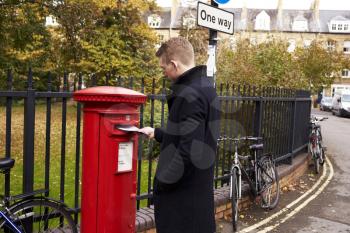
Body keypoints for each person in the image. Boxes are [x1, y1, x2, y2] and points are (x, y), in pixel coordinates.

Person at [139, 37, 220, 233]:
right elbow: (192, 134)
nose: (163, 73)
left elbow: (189, 152)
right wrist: (157, 133)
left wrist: (162, 183)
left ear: (174, 64)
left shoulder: (189, 95)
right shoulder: (206, 87)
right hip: (196, 196)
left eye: (163, 68)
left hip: (183, 203)